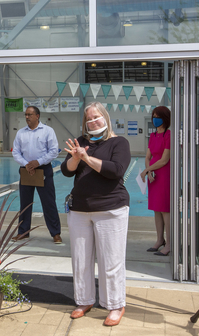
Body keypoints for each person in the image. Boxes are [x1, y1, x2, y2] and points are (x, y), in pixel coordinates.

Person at [61, 102, 130, 326]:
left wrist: (86, 158)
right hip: (81, 209)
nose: (93, 122)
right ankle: (84, 300)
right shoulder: (80, 142)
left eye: (96, 117)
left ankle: (115, 305)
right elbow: (66, 170)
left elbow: (115, 170)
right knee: (81, 259)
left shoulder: (119, 142)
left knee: (111, 261)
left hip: (111, 209)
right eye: (88, 119)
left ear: (106, 118)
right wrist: (75, 157)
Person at [12, 106, 62, 244]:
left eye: (30, 114)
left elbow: (53, 151)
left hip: (43, 170)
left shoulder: (48, 131)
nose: (27, 117)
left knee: (49, 202)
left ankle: (55, 233)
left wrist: (38, 162)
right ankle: (23, 232)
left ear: (37, 116)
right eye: (26, 114)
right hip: (26, 170)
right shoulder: (21, 133)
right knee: (25, 203)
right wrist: (27, 164)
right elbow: (15, 152)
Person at [141, 106, 171, 256]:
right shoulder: (153, 136)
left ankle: (170, 244)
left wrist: (148, 170)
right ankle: (160, 239)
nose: (154, 119)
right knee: (156, 210)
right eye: (153, 116)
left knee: (165, 210)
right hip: (153, 175)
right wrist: (149, 170)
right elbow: (147, 157)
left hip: (164, 175)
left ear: (165, 118)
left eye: (157, 116)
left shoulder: (169, 135)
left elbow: (165, 160)